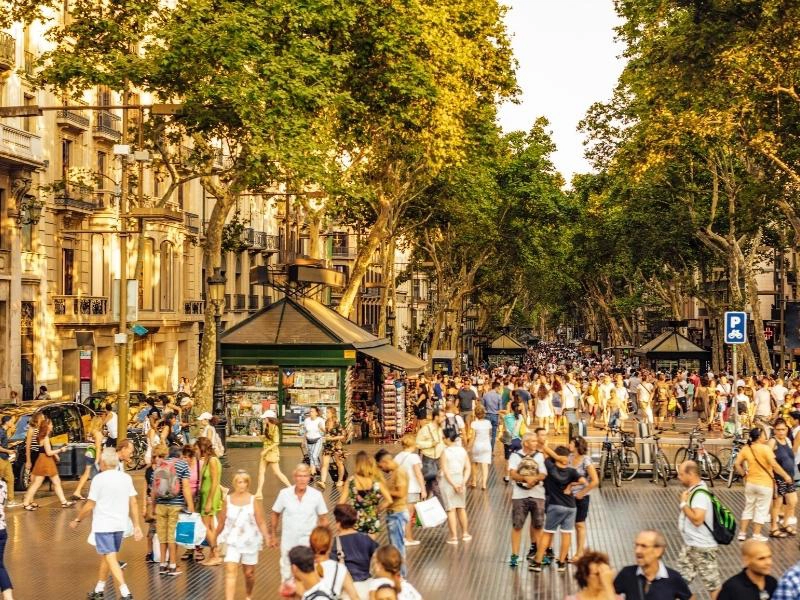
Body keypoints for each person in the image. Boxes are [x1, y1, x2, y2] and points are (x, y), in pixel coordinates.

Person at [70, 448, 143, 600]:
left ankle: (125, 592)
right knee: (107, 556)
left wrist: (77, 520)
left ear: (103, 462)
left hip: (103, 525)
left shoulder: (99, 479)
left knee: (110, 557)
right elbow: (134, 502)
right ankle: (99, 589)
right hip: (120, 525)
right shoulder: (125, 478)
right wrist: (136, 526)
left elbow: (90, 505)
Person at [271, 464, 329, 597]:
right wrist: (273, 535)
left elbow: (324, 520)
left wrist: (324, 544)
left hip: (308, 546)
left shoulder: (316, 495)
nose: (302, 479)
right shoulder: (284, 494)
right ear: (294, 477)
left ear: (309, 478)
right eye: (299, 476)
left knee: (309, 581)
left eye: (305, 476)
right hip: (288, 545)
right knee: (287, 582)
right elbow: (275, 513)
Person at [216, 470, 272, 600]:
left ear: (247, 484)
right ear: (235, 483)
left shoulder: (253, 500)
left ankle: (248, 595)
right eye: (239, 482)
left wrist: (267, 537)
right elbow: (221, 522)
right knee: (230, 572)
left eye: (244, 482)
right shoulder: (228, 500)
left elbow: (261, 521)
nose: (241, 485)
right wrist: (214, 540)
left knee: (249, 574)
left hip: (250, 540)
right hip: (231, 541)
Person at [530, 444, 585, 573]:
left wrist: (555, 456)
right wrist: (570, 485)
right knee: (566, 534)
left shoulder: (550, 466)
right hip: (571, 507)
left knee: (548, 533)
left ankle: (537, 562)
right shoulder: (572, 471)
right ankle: (561, 563)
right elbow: (584, 482)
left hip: (555, 505)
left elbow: (544, 449)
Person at [734, 426, 793, 541]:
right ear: (760, 437)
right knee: (761, 509)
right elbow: (774, 465)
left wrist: (744, 475)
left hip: (750, 483)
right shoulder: (765, 449)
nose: (766, 437)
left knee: (748, 508)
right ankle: (756, 534)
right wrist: (785, 476)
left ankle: (742, 533)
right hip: (765, 484)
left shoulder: (746, 448)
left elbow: (737, 464)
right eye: (764, 435)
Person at [675, 460, 720, 599]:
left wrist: (683, 504)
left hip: (702, 547)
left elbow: (697, 519)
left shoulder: (700, 494)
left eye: (681, 474)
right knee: (679, 584)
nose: (678, 477)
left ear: (692, 474)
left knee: (713, 586)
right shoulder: (694, 491)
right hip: (691, 545)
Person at [150, 444, 195, 576]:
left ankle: (162, 565)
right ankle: (173, 566)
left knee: (162, 535)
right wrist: (190, 506)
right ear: (180, 455)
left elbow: (153, 489)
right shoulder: (182, 465)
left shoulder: (159, 466)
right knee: (172, 536)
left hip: (160, 505)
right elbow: (186, 487)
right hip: (176, 505)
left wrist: (153, 507)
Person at [613, 530, 692, 600]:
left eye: (644, 546)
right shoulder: (627, 573)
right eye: (636, 545)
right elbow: (607, 594)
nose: (637, 551)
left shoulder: (673, 578)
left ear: (658, 551)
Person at [508, 431, 546, 568]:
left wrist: (534, 479)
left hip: (537, 494)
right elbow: (512, 473)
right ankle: (514, 555)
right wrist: (525, 478)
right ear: (525, 443)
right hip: (519, 495)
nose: (536, 443)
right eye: (533, 441)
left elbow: (543, 473)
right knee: (517, 526)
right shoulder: (515, 456)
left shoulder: (540, 456)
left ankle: (541, 554)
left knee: (539, 526)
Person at [22, 417, 75, 510]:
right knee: (37, 483)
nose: (52, 426)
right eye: (51, 424)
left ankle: (64, 502)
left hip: (44, 460)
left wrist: (55, 455)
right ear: (47, 426)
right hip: (45, 461)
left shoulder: (42, 436)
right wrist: (60, 450)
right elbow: (48, 452)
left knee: (55, 481)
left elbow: (47, 451)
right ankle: (26, 502)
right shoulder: (45, 438)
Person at [330, 504, 378, 599]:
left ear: (338, 523)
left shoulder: (334, 543)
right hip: (367, 586)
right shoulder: (366, 539)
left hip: (347, 590)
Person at [299, 526, 360, 600]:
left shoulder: (303, 569)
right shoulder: (340, 569)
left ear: (310, 544)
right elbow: (355, 597)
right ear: (330, 545)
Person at [341, 451, 391, 537]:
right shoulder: (376, 481)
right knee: (370, 548)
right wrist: (378, 509)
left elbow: (341, 503)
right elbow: (389, 500)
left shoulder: (351, 481)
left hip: (355, 520)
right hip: (372, 519)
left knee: (357, 548)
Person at [375, 449, 409, 571]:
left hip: (397, 513)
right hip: (395, 513)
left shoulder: (399, 472)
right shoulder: (396, 472)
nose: (381, 469)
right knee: (397, 546)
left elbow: (401, 493)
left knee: (397, 548)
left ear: (384, 462)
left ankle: (401, 575)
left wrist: (383, 491)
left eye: (380, 466)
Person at [439, 429, 471, 545]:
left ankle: (454, 536)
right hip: (460, 478)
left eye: (443, 437)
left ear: (448, 439)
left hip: (448, 481)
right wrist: (463, 482)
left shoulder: (445, 452)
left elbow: (445, 471)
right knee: (461, 508)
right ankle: (465, 533)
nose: (442, 439)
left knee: (451, 509)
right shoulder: (462, 450)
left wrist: (453, 484)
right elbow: (468, 468)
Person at [195, 436, 223, 566]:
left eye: (196, 448)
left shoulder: (212, 461)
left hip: (210, 497)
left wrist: (209, 501)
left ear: (202, 448)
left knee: (205, 526)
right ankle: (213, 555)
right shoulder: (207, 460)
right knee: (211, 526)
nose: (195, 451)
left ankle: (215, 553)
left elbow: (215, 482)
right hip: (207, 496)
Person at [570, 435, 598, 562]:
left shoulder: (586, 460)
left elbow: (594, 481)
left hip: (581, 497)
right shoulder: (569, 458)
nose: (568, 445)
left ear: (576, 446)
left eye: (570, 443)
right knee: (569, 525)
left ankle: (579, 552)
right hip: (568, 496)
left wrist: (582, 493)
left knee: (579, 524)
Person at [767, 418, 797, 537]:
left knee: (793, 502)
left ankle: (785, 524)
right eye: (778, 430)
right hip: (778, 477)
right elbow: (769, 460)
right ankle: (774, 528)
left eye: (783, 429)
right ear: (774, 430)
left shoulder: (788, 440)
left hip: (789, 477)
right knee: (777, 504)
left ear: (787, 429)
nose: (781, 432)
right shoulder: (772, 442)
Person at [394, 434, 426, 546]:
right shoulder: (414, 457)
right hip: (412, 489)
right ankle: (408, 538)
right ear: (412, 444)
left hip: (400, 489)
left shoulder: (397, 457)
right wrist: (423, 489)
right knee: (409, 515)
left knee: (402, 514)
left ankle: (401, 537)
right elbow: (418, 474)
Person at [255, 410, 291, 499]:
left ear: (268, 419)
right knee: (261, 472)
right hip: (265, 453)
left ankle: (291, 488)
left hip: (272, 453)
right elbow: (265, 440)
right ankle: (259, 492)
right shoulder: (266, 427)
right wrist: (258, 434)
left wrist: (265, 450)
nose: (264, 420)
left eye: (265, 418)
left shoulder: (275, 428)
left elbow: (276, 442)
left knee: (277, 473)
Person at [72, 414, 106, 501]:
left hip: (88, 453)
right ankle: (97, 494)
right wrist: (98, 460)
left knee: (86, 474)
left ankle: (77, 491)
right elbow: (98, 447)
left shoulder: (91, 432)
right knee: (98, 475)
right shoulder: (98, 434)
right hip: (95, 455)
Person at [415, 409, 445, 501]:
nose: (444, 419)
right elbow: (417, 443)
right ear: (436, 417)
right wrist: (430, 444)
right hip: (428, 460)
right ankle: (443, 508)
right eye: (442, 416)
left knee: (430, 483)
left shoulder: (441, 429)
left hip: (438, 459)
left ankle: (423, 502)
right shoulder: (426, 429)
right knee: (435, 485)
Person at [319, 406, 347, 489]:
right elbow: (328, 433)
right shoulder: (326, 422)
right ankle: (323, 482)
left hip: (336, 446)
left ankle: (340, 480)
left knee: (339, 464)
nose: (326, 414)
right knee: (324, 464)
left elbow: (342, 436)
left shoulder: (337, 424)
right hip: (328, 446)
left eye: (328, 412)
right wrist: (323, 431)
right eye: (326, 412)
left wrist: (332, 438)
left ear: (332, 413)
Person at [468, 404, 492, 490]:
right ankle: (484, 484)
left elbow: (473, 437)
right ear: (484, 413)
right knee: (484, 465)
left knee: (474, 464)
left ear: (476, 414)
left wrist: (468, 447)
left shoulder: (474, 423)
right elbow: (489, 435)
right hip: (486, 445)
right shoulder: (488, 423)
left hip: (477, 445)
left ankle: (474, 482)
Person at [302, 407, 326, 477]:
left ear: (316, 413)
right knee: (311, 456)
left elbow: (325, 432)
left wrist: (321, 428)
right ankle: (317, 469)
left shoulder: (320, 420)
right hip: (308, 440)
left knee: (314, 456)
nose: (310, 413)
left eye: (312, 411)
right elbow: (305, 431)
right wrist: (303, 441)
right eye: (310, 411)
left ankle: (313, 471)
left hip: (317, 440)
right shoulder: (307, 420)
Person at [481, 380, 503, 453]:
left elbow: (483, 407)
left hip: (487, 415)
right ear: (496, 387)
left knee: (486, 433)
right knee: (493, 434)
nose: (499, 389)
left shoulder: (485, 395)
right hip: (495, 416)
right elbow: (500, 409)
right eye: (499, 388)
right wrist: (499, 419)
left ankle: (485, 449)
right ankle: (491, 450)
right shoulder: (499, 396)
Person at [0, 418, 17, 509]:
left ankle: (11, 501)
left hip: (5, 458)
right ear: (6, 422)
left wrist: (9, 448)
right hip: (1, 459)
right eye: (11, 421)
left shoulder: (5, 432)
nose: (12, 423)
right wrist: (8, 451)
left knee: (10, 479)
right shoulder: (1, 432)